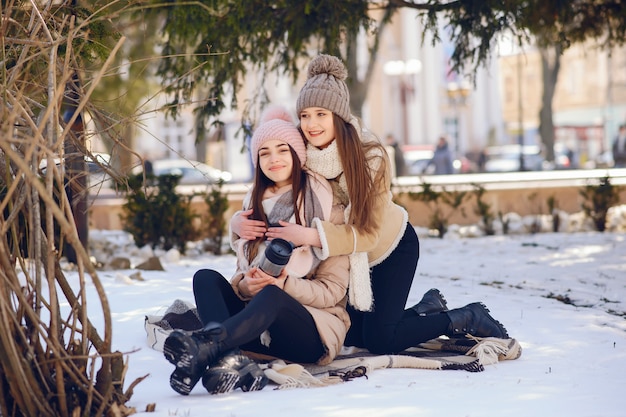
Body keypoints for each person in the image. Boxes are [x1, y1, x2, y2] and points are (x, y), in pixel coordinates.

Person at [232, 54, 510, 356]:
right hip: (345, 258)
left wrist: (309, 236)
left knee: (381, 340)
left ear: (337, 115)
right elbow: (271, 187)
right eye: (305, 115)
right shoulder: (304, 151)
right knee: (352, 335)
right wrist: (236, 223)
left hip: (389, 248)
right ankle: (425, 309)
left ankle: (463, 317)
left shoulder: (370, 156)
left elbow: (368, 235)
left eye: (321, 114)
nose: (311, 124)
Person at [162, 106, 351, 396]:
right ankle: (226, 359)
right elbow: (241, 276)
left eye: (282, 150)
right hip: (255, 326)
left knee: (273, 294)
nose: (273, 159)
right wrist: (245, 285)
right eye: (264, 152)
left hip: (309, 332)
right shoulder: (253, 208)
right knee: (205, 278)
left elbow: (332, 292)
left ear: (297, 154)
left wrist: (284, 283)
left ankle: (206, 347)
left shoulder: (327, 208)